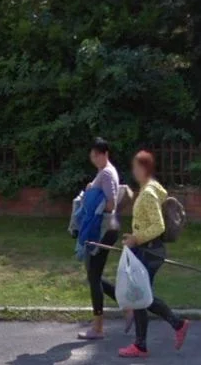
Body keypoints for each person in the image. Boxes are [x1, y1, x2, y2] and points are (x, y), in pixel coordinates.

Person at [114, 150, 190, 358]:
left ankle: (174, 326)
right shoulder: (151, 188)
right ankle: (145, 343)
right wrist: (134, 237)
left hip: (150, 251)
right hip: (147, 249)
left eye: (136, 167)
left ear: (144, 168)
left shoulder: (148, 193)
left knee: (140, 296)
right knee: (140, 296)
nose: (133, 171)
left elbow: (158, 226)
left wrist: (136, 239)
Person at [77, 137, 121, 341]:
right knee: (94, 275)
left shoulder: (106, 173)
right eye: (92, 156)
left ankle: (98, 328)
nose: (94, 159)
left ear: (105, 154)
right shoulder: (104, 172)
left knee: (94, 277)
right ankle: (127, 307)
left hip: (103, 230)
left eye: (97, 155)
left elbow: (111, 203)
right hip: (105, 229)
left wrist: (91, 199)